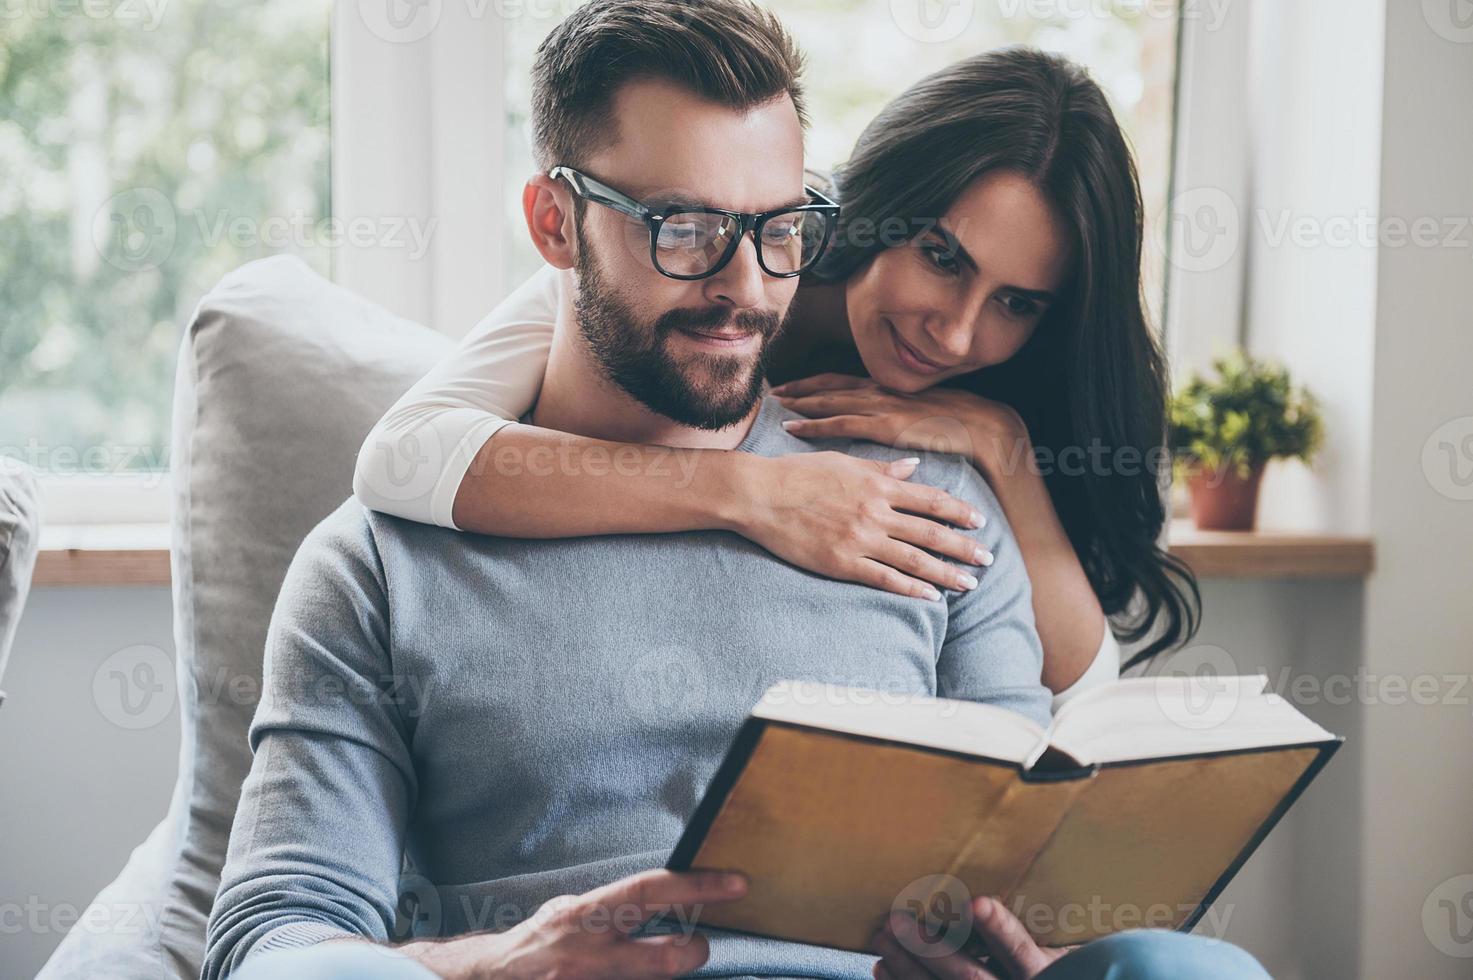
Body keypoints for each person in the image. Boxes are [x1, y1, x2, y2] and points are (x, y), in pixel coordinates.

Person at [207, 2, 1265, 978]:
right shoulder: (379, 560)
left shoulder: (932, 498)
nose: (746, 286)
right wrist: (497, 959)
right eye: (684, 227)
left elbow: (1024, 851)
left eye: (777, 227)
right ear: (553, 225)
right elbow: (269, 944)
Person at [353, 46, 1200, 712]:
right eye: (940, 258)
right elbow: (404, 456)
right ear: (879, 205)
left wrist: (1003, 449)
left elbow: (1078, 696)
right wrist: (752, 492)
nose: (957, 331)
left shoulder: (1001, 406)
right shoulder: (706, 252)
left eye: (1017, 302)